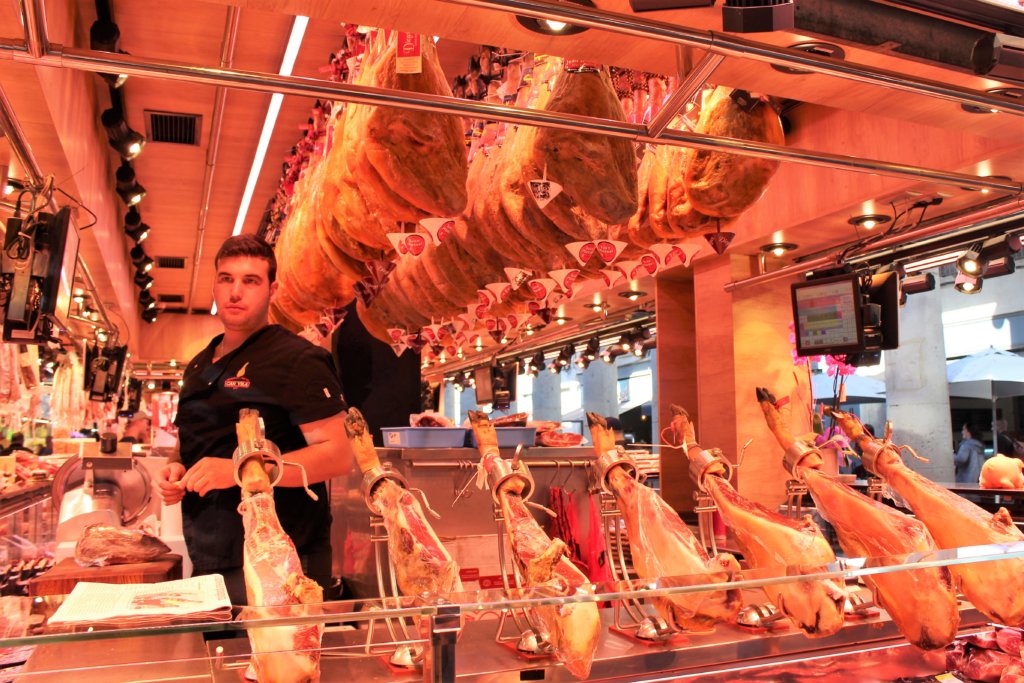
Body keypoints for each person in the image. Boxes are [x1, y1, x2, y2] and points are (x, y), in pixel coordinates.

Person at [155, 235, 353, 605]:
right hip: (210, 554)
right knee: (220, 660)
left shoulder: (298, 360)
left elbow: (338, 455)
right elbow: (193, 441)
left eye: (250, 281)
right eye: (226, 279)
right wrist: (175, 468)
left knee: (283, 663)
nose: (235, 292)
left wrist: (236, 470)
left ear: (272, 289)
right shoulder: (199, 364)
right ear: (214, 284)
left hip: (282, 560)